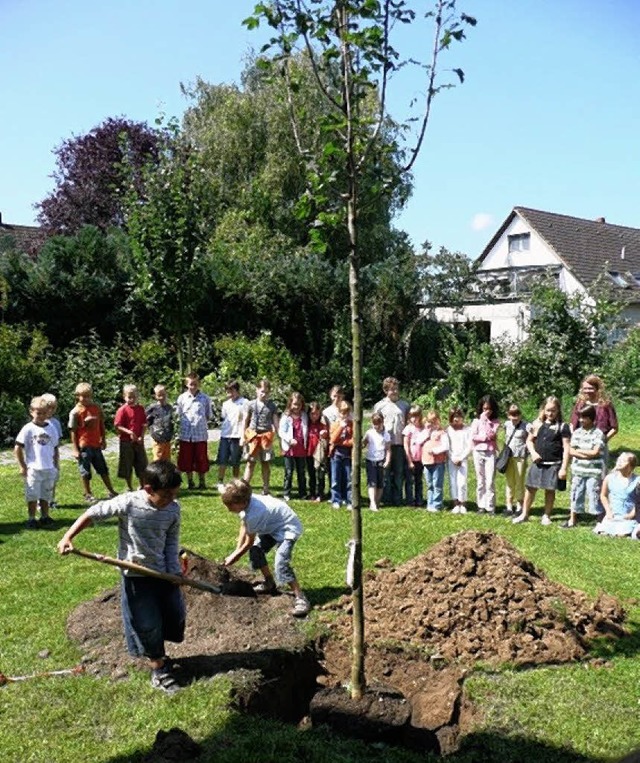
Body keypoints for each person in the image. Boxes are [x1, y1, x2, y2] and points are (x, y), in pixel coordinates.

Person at [57, 460, 185, 694]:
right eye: (166, 495)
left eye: (174, 495)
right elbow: (93, 513)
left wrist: (174, 571)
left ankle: (158, 651)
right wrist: (68, 537)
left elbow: (171, 543)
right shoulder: (129, 503)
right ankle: (158, 667)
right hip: (136, 573)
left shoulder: (173, 509)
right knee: (146, 622)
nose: (170, 500)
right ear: (148, 489)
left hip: (163, 573)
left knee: (174, 616)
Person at [221, 478, 310, 617]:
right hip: (271, 526)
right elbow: (244, 525)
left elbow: (248, 542)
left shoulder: (255, 513)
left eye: (230, 505)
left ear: (242, 503)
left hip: (287, 528)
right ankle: (269, 582)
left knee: (281, 563)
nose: (228, 509)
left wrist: (236, 556)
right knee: (256, 550)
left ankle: (300, 598)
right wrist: (235, 552)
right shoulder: (246, 503)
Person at [513, 396, 570, 526]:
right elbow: (528, 441)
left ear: (558, 411)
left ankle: (546, 515)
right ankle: (524, 514)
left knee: (550, 490)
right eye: (548, 410)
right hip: (538, 463)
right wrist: (533, 453)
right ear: (543, 410)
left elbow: (567, 448)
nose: (550, 413)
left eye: (553, 411)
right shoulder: (537, 424)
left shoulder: (562, 427)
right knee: (530, 488)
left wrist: (563, 468)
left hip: (554, 464)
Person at [15, 396, 60, 529]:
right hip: (33, 468)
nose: (41, 416)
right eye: (38, 413)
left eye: (44, 413)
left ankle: (45, 516)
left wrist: (55, 464)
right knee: (33, 494)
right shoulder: (28, 428)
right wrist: (22, 466)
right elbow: (18, 447)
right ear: (31, 411)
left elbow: (55, 447)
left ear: (49, 412)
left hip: (48, 467)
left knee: (46, 493)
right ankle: (31, 518)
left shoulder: (51, 428)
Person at [68, 382, 117, 503]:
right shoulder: (75, 412)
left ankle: (111, 490)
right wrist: (74, 449)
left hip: (96, 445)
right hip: (84, 446)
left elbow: (101, 424)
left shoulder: (96, 408)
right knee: (85, 471)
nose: (85, 399)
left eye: (88, 396)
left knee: (103, 469)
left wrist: (103, 439)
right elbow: (73, 431)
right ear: (77, 396)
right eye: (82, 396)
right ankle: (88, 493)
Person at [564, 405, 605, 528]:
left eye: (584, 418)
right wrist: (588, 454)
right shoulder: (577, 432)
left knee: (594, 494)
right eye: (580, 417)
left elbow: (596, 452)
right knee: (576, 493)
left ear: (592, 418)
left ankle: (599, 519)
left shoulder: (598, 433)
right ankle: (573, 519)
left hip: (594, 471)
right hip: (578, 470)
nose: (581, 420)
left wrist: (581, 452)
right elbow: (571, 451)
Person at [373, 377, 411, 506]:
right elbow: (375, 423)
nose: (394, 392)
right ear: (385, 391)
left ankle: (398, 498)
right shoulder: (380, 406)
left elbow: (408, 423)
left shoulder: (405, 405)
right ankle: (386, 497)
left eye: (396, 389)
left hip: (400, 443)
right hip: (385, 444)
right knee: (385, 472)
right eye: (391, 390)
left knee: (399, 472)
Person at [243, 378, 280, 495]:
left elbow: (276, 423)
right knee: (250, 463)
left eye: (266, 392)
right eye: (261, 391)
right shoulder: (250, 404)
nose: (263, 394)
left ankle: (266, 489)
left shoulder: (272, 406)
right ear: (257, 390)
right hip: (253, 436)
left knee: (265, 463)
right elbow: (245, 421)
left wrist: (279, 437)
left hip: (266, 438)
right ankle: (244, 488)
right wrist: (242, 437)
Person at [175, 373, 212, 490]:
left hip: (200, 435)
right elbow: (178, 414)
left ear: (199, 384)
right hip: (186, 435)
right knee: (187, 460)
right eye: (191, 384)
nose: (193, 386)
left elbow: (208, 415)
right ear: (187, 384)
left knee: (201, 459)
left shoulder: (205, 398)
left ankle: (202, 482)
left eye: (195, 384)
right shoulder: (182, 398)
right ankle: (190, 481)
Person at [594, 453, 639, 538]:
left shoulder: (637, 481)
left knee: (621, 534)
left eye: (623, 461)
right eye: (619, 460)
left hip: (628, 516)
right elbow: (603, 495)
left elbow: (638, 501)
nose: (619, 462)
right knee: (603, 532)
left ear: (631, 466)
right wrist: (608, 511)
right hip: (612, 514)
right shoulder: (609, 478)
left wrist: (632, 514)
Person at [114, 384, 148, 491]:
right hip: (126, 442)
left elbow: (144, 424)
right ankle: (129, 486)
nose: (132, 399)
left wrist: (142, 437)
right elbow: (117, 425)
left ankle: (142, 485)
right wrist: (129, 433)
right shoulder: (122, 410)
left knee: (142, 463)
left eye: (134, 396)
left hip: (138, 442)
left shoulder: (140, 409)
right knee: (127, 464)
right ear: (124, 396)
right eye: (129, 397)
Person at [469, 395, 500, 515]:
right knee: (480, 480)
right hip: (478, 452)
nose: (486, 411)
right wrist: (484, 437)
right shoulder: (476, 421)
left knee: (490, 480)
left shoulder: (495, 422)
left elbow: (492, 434)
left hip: (490, 452)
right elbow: (473, 437)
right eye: (484, 408)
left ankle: (490, 506)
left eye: (488, 409)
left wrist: (486, 421)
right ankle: (481, 505)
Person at [216, 380, 246, 490]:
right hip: (225, 435)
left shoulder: (244, 402)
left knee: (235, 461)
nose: (230, 394)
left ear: (237, 390)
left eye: (232, 391)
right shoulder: (225, 404)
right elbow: (224, 418)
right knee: (222, 459)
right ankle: (220, 480)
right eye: (228, 391)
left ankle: (235, 481)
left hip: (237, 436)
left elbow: (245, 419)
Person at [279, 392, 308, 501]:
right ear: (290, 404)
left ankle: (303, 492)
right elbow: (281, 431)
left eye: (299, 404)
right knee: (289, 471)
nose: (296, 407)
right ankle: (286, 492)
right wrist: (289, 439)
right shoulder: (286, 416)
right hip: (289, 448)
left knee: (301, 471)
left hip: (301, 448)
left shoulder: (304, 415)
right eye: (295, 404)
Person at [503, 404, 530, 517]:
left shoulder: (526, 426)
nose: (515, 417)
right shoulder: (506, 424)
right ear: (508, 415)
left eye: (517, 414)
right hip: (508, 456)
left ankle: (520, 506)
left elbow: (530, 438)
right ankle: (509, 506)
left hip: (520, 456)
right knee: (510, 481)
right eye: (512, 414)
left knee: (519, 481)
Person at [421, 410, 449, 512]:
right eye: (431, 422)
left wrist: (435, 451)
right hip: (427, 461)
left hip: (438, 462)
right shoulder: (426, 432)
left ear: (439, 421)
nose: (433, 424)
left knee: (437, 484)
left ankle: (437, 504)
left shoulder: (442, 433)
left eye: (435, 421)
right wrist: (427, 432)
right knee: (429, 484)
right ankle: (430, 504)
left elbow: (445, 446)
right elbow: (419, 441)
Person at [362, 412, 391, 512]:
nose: (377, 426)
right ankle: (372, 503)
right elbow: (363, 444)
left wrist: (387, 460)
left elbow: (388, 449)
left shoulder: (386, 434)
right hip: (371, 460)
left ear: (383, 422)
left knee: (380, 484)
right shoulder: (370, 433)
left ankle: (376, 502)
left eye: (379, 424)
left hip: (381, 461)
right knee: (372, 482)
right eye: (375, 424)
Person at [403, 405, 429, 508]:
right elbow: (406, 444)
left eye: (416, 416)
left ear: (420, 416)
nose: (413, 419)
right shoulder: (408, 429)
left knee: (419, 480)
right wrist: (409, 461)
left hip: (421, 459)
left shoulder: (423, 428)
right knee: (409, 481)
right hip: (411, 458)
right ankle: (410, 500)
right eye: (411, 416)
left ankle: (419, 500)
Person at [329, 400, 354, 509]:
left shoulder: (352, 425)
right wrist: (341, 427)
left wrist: (343, 442)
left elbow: (353, 440)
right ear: (339, 413)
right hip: (336, 454)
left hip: (348, 455)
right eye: (343, 413)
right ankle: (336, 499)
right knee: (335, 479)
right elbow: (333, 439)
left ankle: (349, 500)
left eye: (347, 413)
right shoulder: (335, 424)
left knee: (349, 479)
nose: (345, 416)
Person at [446, 407, 471, 514]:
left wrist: (461, 458)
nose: (456, 419)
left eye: (458, 416)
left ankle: (462, 503)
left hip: (462, 460)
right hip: (451, 459)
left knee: (462, 482)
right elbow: (447, 446)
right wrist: (452, 458)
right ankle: (455, 503)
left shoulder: (467, 430)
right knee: (453, 482)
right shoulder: (448, 430)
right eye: (454, 417)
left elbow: (469, 446)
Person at [41, 392, 63, 509]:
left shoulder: (55, 422)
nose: (51, 410)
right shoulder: (39, 423)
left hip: (54, 455)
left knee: (53, 478)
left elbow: (57, 441)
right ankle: (41, 502)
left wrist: (57, 458)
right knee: (42, 479)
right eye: (49, 407)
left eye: (54, 408)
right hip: (42, 455)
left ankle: (51, 500)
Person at [306, 402, 329, 502]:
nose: (314, 416)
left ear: (320, 413)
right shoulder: (307, 423)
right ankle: (312, 493)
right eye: (312, 413)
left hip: (319, 453)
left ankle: (320, 493)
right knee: (311, 474)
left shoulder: (322, 423)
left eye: (316, 413)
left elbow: (327, 435)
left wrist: (324, 434)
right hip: (309, 452)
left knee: (320, 474)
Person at [145, 384, 175, 462]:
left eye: (163, 394)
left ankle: (166, 473)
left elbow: (172, 420)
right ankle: (156, 473)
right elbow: (146, 420)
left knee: (167, 459)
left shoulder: (170, 408)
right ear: (155, 396)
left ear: (166, 394)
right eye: (159, 395)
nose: (161, 397)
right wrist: (151, 431)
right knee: (158, 458)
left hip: (167, 438)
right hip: (157, 439)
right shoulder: (152, 408)